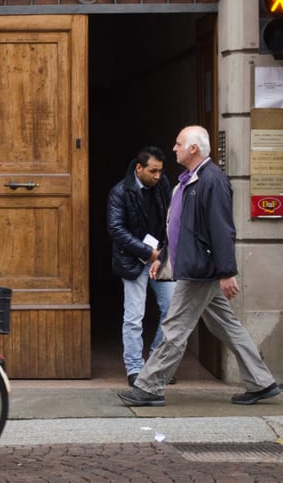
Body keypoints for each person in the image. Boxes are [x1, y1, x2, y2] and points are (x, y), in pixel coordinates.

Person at [117, 125, 280, 407]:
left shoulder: (211, 181)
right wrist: (165, 258)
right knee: (228, 326)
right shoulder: (190, 180)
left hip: (200, 270)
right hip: (197, 265)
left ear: (193, 148)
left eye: (179, 143)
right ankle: (261, 381)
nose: (174, 148)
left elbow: (221, 229)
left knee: (173, 328)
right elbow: (180, 227)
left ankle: (149, 386)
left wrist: (227, 271)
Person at [107, 146, 176, 387]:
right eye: (153, 171)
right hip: (134, 260)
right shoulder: (120, 191)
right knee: (134, 317)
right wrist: (148, 252)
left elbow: (171, 217)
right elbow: (116, 229)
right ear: (139, 168)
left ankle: (156, 362)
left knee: (172, 309)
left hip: (161, 258)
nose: (157, 176)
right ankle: (135, 368)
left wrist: (162, 253)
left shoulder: (163, 184)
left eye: (160, 171)